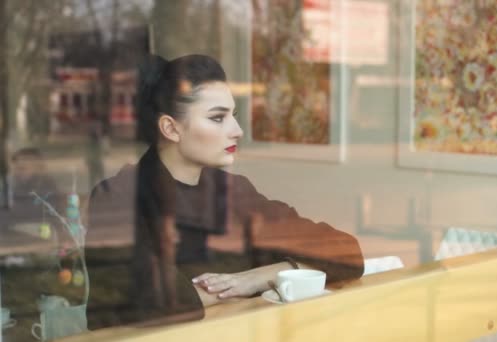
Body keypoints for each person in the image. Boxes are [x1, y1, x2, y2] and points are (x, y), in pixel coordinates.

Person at [85, 54, 364, 329]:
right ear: (171, 128)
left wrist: (258, 278)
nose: (238, 130)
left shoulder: (234, 191)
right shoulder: (118, 196)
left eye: (234, 115)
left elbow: (345, 252)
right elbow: (149, 303)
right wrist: (281, 276)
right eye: (218, 118)